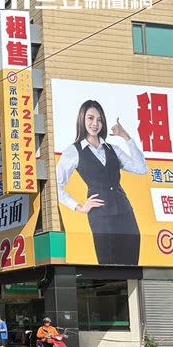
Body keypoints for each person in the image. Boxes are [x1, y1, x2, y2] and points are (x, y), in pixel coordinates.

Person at [56, 100, 147, 265]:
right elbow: (56, 186)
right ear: (82, 119)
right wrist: (79, 207)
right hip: (101, 217)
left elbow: (142, 169)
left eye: (99, 119)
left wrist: (125, 136)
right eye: (90, 118)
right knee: (109, 265)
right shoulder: (73, 152)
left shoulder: (113, 149)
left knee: (132, 264)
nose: (95, 123)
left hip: (126, 214)